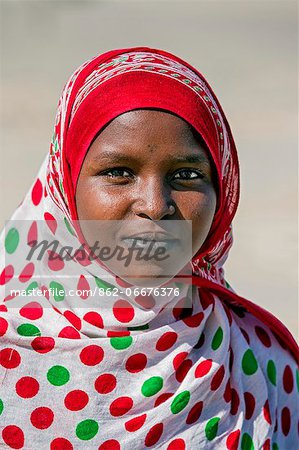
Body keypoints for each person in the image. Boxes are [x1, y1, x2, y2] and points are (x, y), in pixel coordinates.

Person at [0, 47, 298, 450]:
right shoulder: (8, 347)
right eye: (118, 173)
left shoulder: (261, 364)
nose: (155, 205)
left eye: (187, 175)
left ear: (222, 191)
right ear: (64, 186)